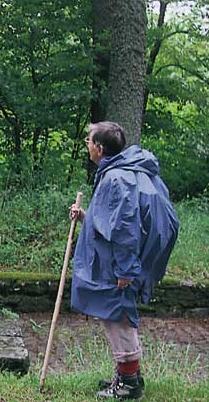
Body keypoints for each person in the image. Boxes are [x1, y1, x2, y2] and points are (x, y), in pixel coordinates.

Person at [68, 121, 179, 400]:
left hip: (118, 265)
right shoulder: (121, 171)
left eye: (89, 141)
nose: (87, 145)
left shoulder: (116, 178)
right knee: (115, 315)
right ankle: (128, 374)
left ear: (100, 148)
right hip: (116, 261)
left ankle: (129, 383)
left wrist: (126, 270)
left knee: (118, 317)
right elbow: (111, 219)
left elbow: (125, 227)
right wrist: (86, 217)